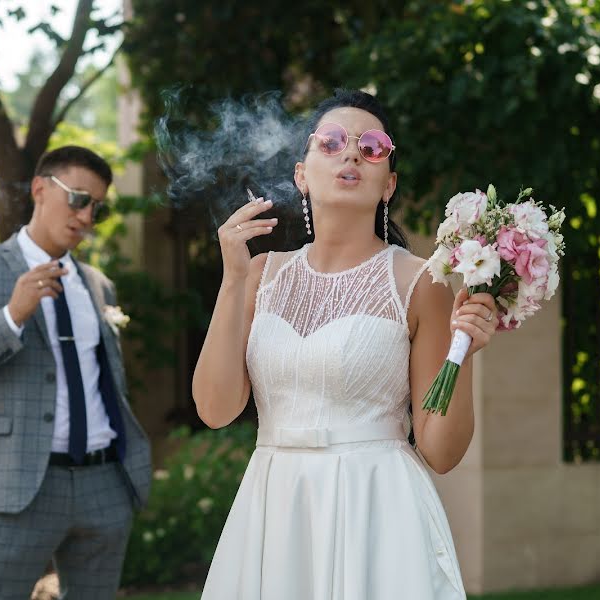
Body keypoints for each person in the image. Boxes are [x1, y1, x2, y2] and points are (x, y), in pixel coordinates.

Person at [193, 89, 498, 599]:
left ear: (389, 185)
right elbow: (216, 408)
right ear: (301, 174)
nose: (351, 153)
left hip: (377, 509)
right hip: (274, 503)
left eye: (372, 146)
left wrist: (461, 349)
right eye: (331, 142)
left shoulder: (423, 283)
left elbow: (440, 452)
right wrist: (232, 280)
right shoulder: (260, 274)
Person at [0, 145, 151, 600]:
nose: (87, 216)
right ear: (40, 190)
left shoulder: (97, 284)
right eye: (78, 199)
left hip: (103, 484)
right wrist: (12, 315)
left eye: (97, 207)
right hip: (17, 488)